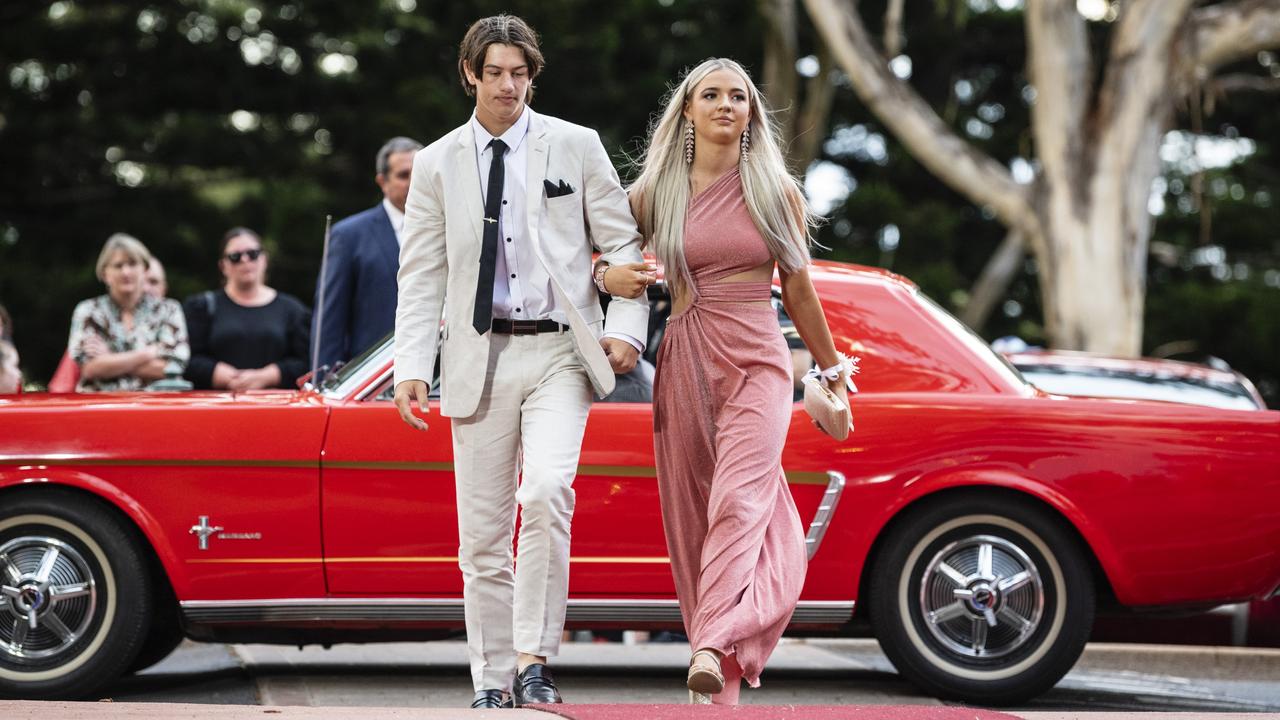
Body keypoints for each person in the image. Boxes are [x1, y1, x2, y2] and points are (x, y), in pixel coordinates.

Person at [391, 15, 649, 709]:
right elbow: (421, 273)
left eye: (520, 72)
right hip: (479, 356)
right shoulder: (439, 162)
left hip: (563, 351)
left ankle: (535, 659)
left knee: (544, 495)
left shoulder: (575, 144)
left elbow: (624, 246)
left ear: (533, 74)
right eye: (495, 72)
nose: (509, 85)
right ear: (469, 73)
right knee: (480, 536)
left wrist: (627, 328)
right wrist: (412, 361)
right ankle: (490, 679)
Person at [603, 58, 851, 704]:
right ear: (686, 110)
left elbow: (798, 288)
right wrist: (608, 279)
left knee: (739, 502)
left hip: (758, 360)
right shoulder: (655, 189)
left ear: (751, 112)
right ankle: (716, 688)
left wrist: (830, 369)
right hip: (685, 354)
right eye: (710, 95)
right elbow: (594, 253)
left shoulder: (775, 190)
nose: (724, 105)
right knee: (694, 517)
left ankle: (712, 642)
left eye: (737, 96)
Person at [313, 136, 424, 373]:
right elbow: (330, 319)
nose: (414, 182)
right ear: (382, 181)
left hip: (439, 378)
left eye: (420, 174)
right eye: (404, 175)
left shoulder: (448, 228)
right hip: (370, 380)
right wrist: (325, 379)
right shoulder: (348, 236)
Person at [183, 227, 311, 390]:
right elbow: (184, 358)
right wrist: (216, 373)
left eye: (252, 254)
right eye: (235, 257)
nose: (245, 260)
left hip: (276, 407)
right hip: (215, 406)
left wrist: (269, 375)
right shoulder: (201, 307)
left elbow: (307, 362)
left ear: (264, 260)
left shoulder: (292, 309)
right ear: (223, 266)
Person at [68, 234, 189, 392]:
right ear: (105, 274)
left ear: (145, 269)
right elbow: (90, 369)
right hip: (101, 406)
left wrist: (110, 357)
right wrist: (147, 354)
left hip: (154, 406)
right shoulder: (89, 311)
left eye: (132, 264)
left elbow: (170, 368)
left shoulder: (169, 310)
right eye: (118, 266)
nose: (126, 272)